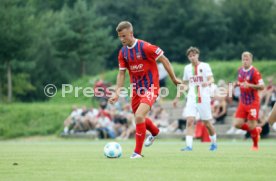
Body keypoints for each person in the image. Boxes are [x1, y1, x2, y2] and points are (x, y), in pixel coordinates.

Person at [109, 21, 182, 159]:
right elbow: (121, 73)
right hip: (136, 90)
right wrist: (117, 92)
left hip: (151, 87)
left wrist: (173, 79)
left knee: (138, 116)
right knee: (138, 117)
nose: (122, 39)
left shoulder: (146, 47)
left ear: (131, 33)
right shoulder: (123, 53)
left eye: (124, 36)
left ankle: (137, 153)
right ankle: (154, 132)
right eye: (119, 37)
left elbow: (164, 60)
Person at [173, 46, 217, 151]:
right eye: (190, 56)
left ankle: (214, 143)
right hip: (192, 98)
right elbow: (183, 85)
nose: (192, 57)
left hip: (204, 98)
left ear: (198, 55)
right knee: (190, 121)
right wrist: (177, 98)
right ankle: (189, 146)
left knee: (207, 123)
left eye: (194, 55)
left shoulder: (205, 66)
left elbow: (212, 79)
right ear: (188, 57)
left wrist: (208, 82)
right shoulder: (187, 68)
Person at [233, 51, 264, 151]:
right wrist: (236, 84)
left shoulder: (255, 72)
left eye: (247, 59)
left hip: (253, 102)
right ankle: (256, 130)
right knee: (237, 124)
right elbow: (241, 82)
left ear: (251, 60)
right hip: (243, 102)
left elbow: (262, 86)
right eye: (243, 59)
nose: (245, 61)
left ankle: (255, 145)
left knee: (251, 126)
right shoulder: (240, 70)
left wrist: (250, 85)